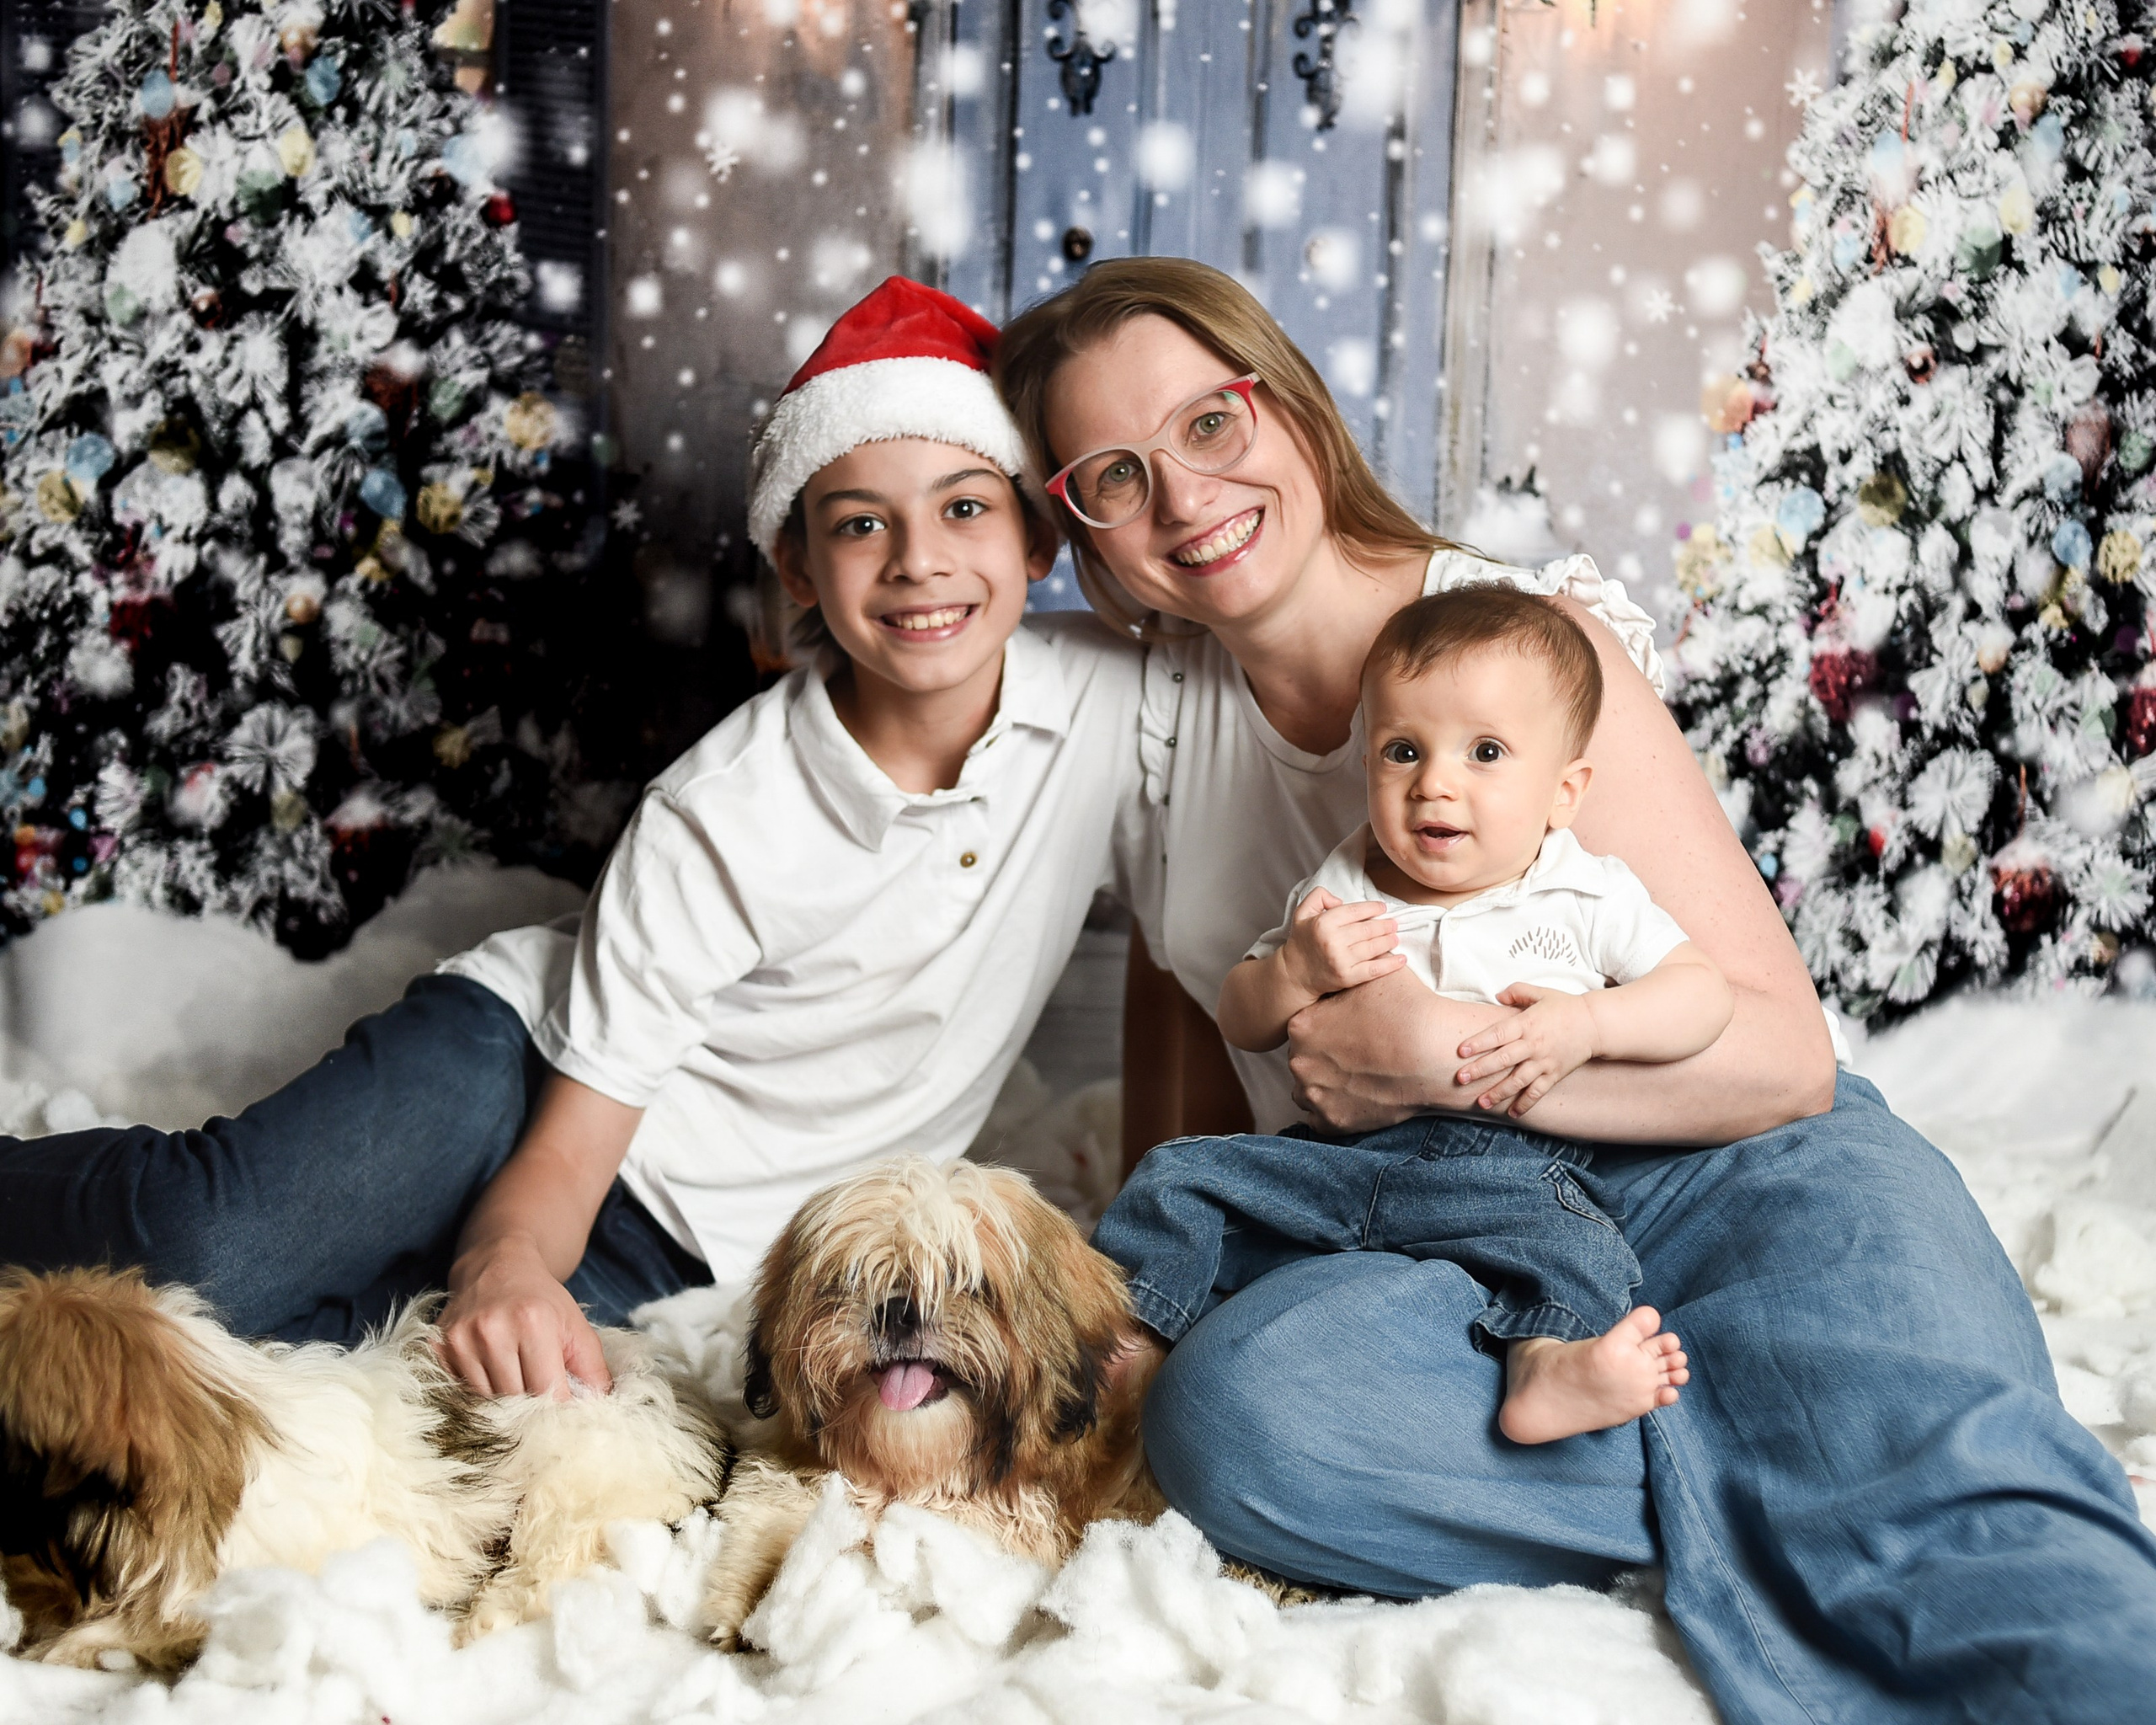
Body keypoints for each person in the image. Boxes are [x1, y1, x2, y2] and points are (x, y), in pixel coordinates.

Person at [995, 255, 2156, 1722]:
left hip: (1722, 1168)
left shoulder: (1524, 640)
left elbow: (1784, 1061)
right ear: (1081, 528)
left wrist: (1448, 1061)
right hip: (1441, 1249)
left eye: (1210, 423)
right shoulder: (1153, 727)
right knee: (1240, 1414)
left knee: (1970, 1504)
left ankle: (1891, 1470)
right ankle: (1818, 1459)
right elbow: (1191, 1031)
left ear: (1287, 403)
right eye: (1114, 474)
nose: (1181, 496)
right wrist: (1158, 1295)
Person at [0, 278, 1146, 1400]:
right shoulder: (722, 810)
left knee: (304, 1362)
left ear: (1036, 536)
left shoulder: (1116, 705)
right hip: (516, 1070)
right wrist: (505, 1264)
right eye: (859, 524)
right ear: (798, 564)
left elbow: (1206, 895)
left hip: (678, 1258)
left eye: (964, 508)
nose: (919, 560)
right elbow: (568, 1147)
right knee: (211, 1251)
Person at [1109, 586, 1723, 1448]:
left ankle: (1545, 1367)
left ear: (1563, 791)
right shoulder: (1345, 883)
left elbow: (1702, 994)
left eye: (1485, 752)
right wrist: (1292, 970)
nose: (1434, 783)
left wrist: (1590, 1024)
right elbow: (1241, 1014)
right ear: (1366, 761)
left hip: (1507, 1170)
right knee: (1178, 1176)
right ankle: (1130, 1342)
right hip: (1340, 1161)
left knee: (1580, 1246)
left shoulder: (1583, 892)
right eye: (1403, 750)